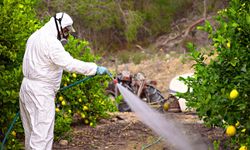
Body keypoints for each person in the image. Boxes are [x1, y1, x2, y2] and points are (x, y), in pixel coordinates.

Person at [19, 12, 110, 150]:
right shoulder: (51, 43)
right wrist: (95, 68)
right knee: (42, 136)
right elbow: (69, 64)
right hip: (41, 93)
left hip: (26, 88)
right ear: (58, 27)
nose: (66, 35)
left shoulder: (35, 36)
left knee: (31, 132)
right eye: (66, 31)